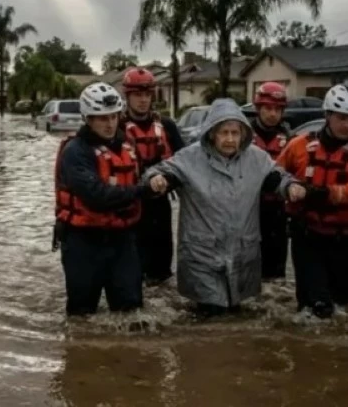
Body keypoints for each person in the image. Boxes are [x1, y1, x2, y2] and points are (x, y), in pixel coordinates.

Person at [143, 98, 307, 316]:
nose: (230, 139)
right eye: (224, 132)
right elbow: (160, 172)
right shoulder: (189, 158)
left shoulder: (257, 158)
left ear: (243, 134)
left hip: (242, 253)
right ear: (212, 133)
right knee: (211, 317)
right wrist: (156, 179)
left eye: (235, 133)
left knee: (237, 319)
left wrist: (292, 187)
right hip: (202, 254)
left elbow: (277, 177)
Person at [277, 82, 348, 319]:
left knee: (343, 303)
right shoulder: (299, 145)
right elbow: (275, 173)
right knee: (316, 307)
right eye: (342, 118)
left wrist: (319, 193)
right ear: (328, 115)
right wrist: (289, 187)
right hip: (308, 237)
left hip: (346, 240)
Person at [53, 82, 152, 316]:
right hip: (83, 241)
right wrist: (142, 190)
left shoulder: (127, 146)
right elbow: (96, 196)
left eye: (113, 117)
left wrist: (159, 179)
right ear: (88, 118)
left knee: (131, 311)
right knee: (82, 314)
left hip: (122, 239)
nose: (109, 124)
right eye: (101, 118)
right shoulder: (75, 152)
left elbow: (145, 172)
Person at [119, 67, 185, 285]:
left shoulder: (167, 126)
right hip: (129, 205)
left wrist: (168, 181)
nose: (143, 100)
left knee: (162, 270)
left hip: (160, 205)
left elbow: (184, 163)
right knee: (133, 268)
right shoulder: (117, 128)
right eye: (138, 95)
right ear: (127, 96)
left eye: (147, 95)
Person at [249, 82, 292, 280]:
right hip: (249, 210)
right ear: (258, 108)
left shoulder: (290, 139)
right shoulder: (242, 135)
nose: (273, 114)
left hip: (277, 211)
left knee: (275, 272)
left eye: (277, 109)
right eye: (268, 108)